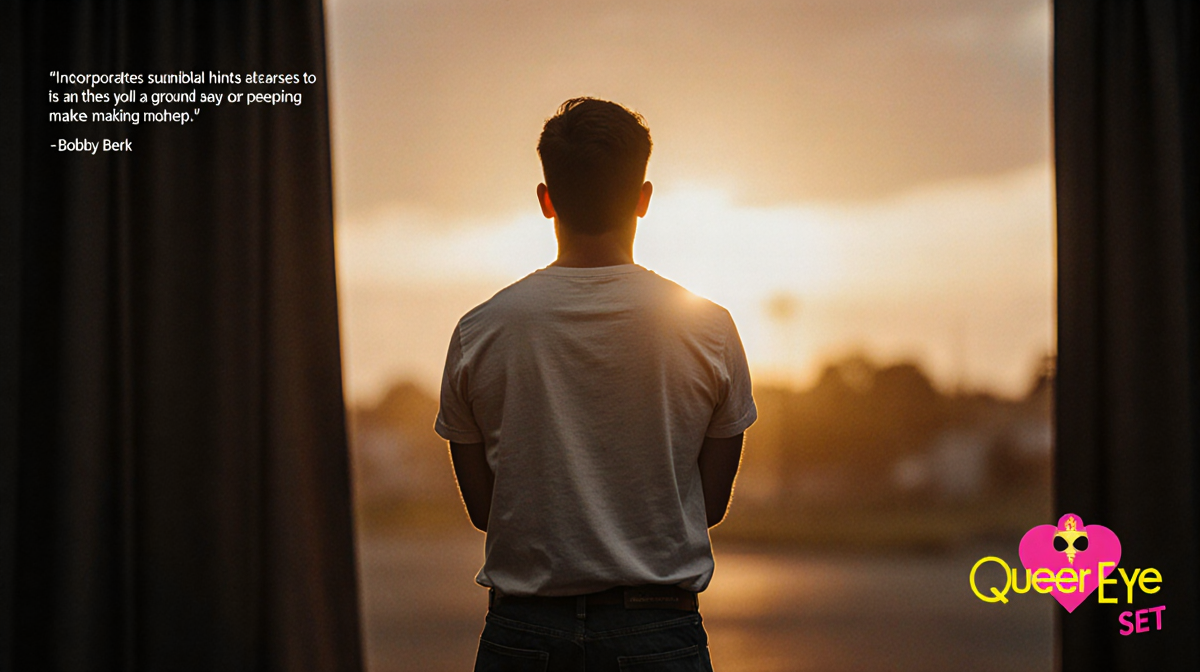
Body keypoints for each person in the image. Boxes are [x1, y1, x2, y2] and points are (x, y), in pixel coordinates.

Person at [435, 97, 757, 671]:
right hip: (659, 630)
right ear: (644, 199)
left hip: (522, 632)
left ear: (546, 200)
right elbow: (707, 504)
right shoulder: (709, 330)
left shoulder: (479, 332)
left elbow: (487, 509)